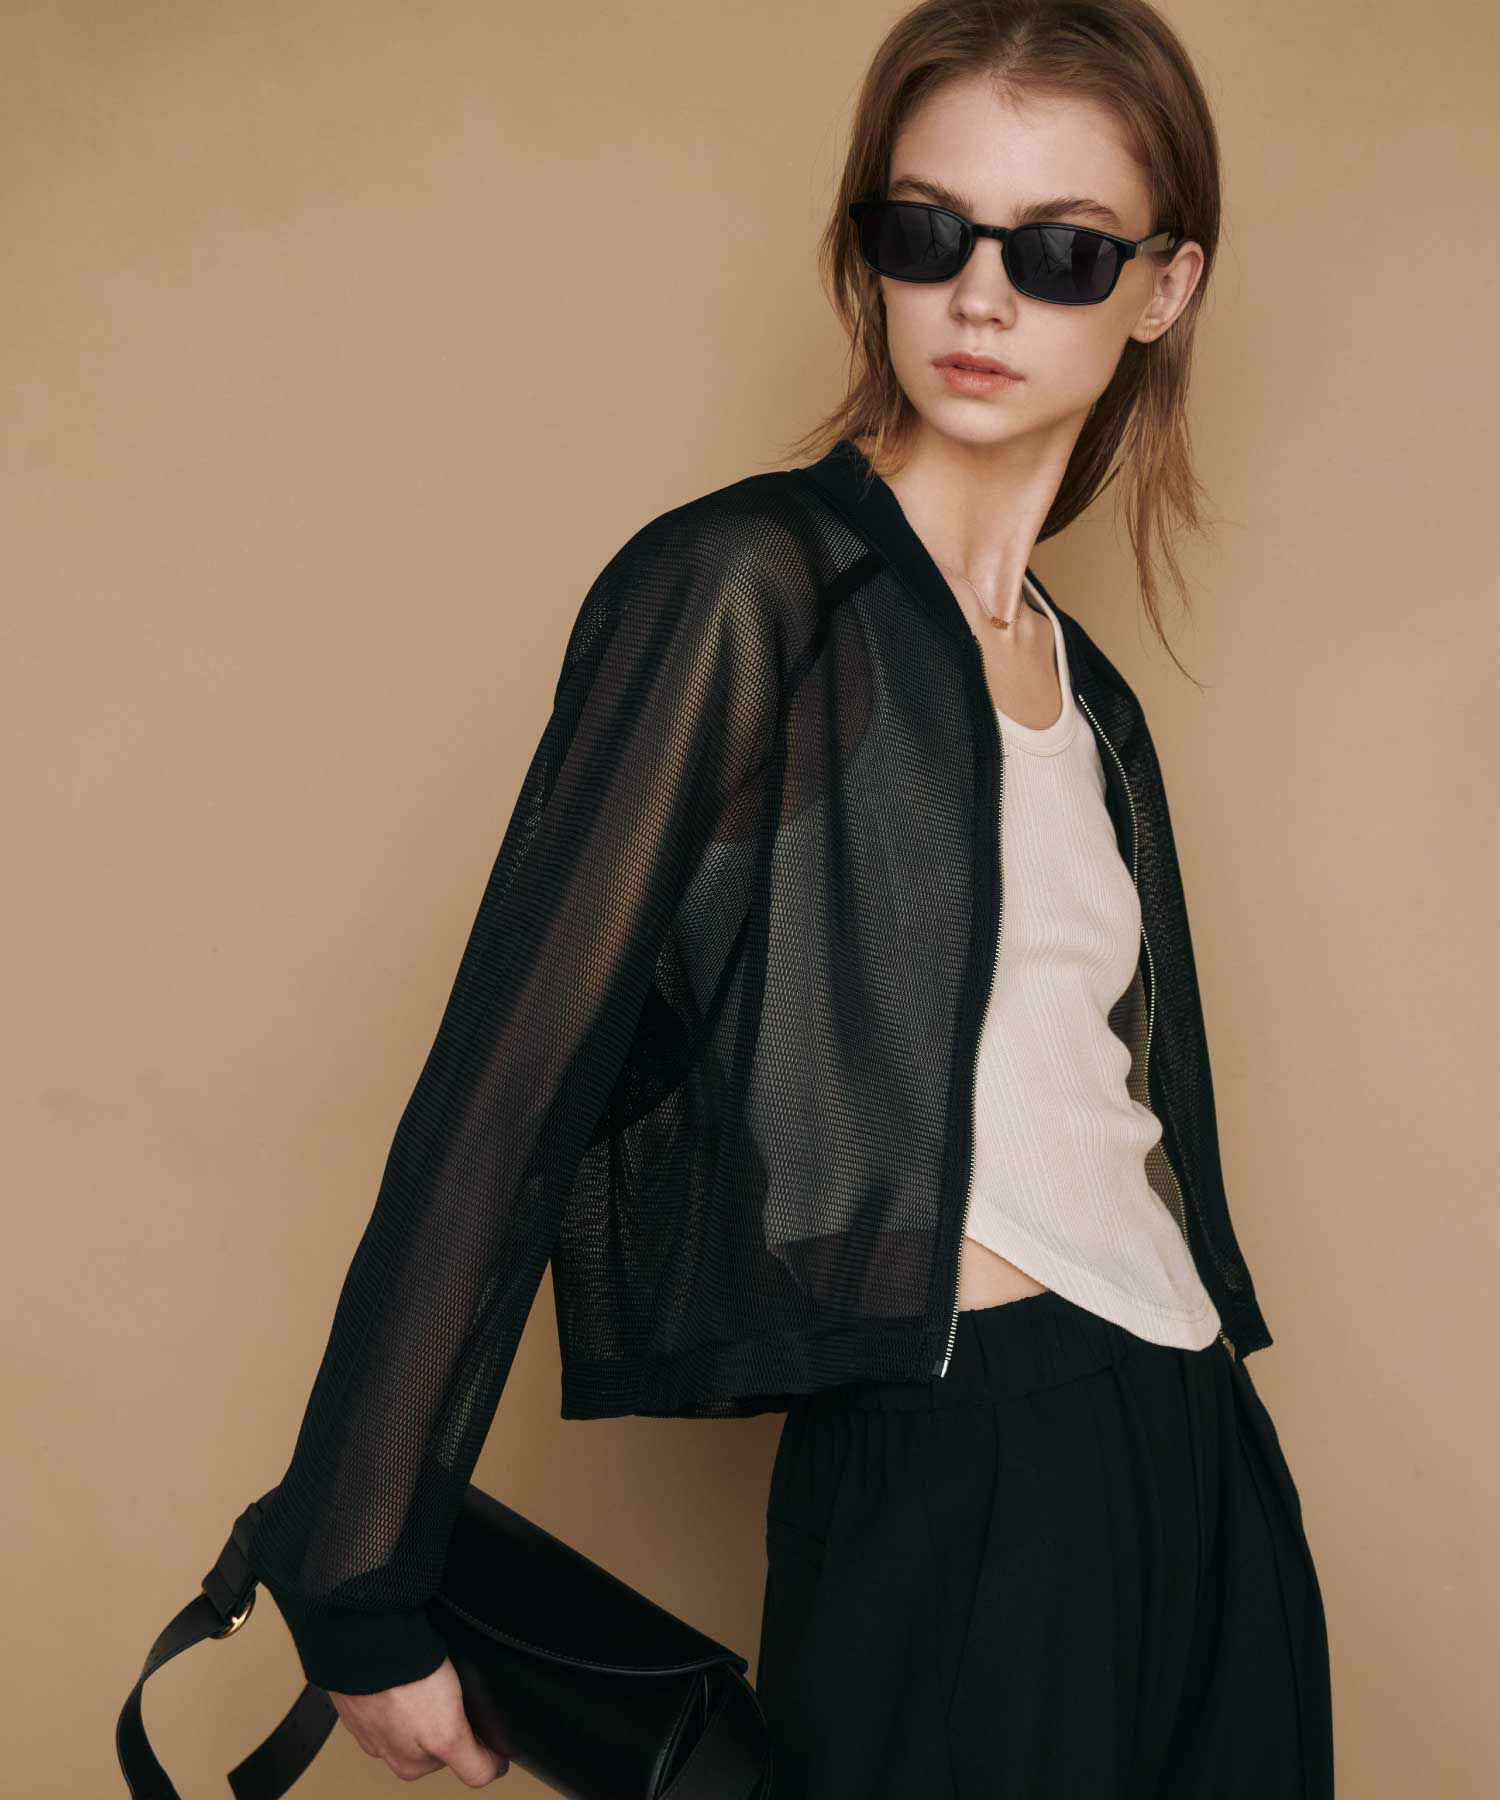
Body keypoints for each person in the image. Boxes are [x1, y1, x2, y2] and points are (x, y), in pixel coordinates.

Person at [243, 0, 1335, 1792]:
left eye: (1061, 251)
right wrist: (357, 1564)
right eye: (927, 232)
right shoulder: (752, 592)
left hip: (1197, 1451)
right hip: (958, 1472)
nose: (981, 297)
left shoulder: (1088, 695)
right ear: (870, 251)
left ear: (1164, 286)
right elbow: (512, 1082)